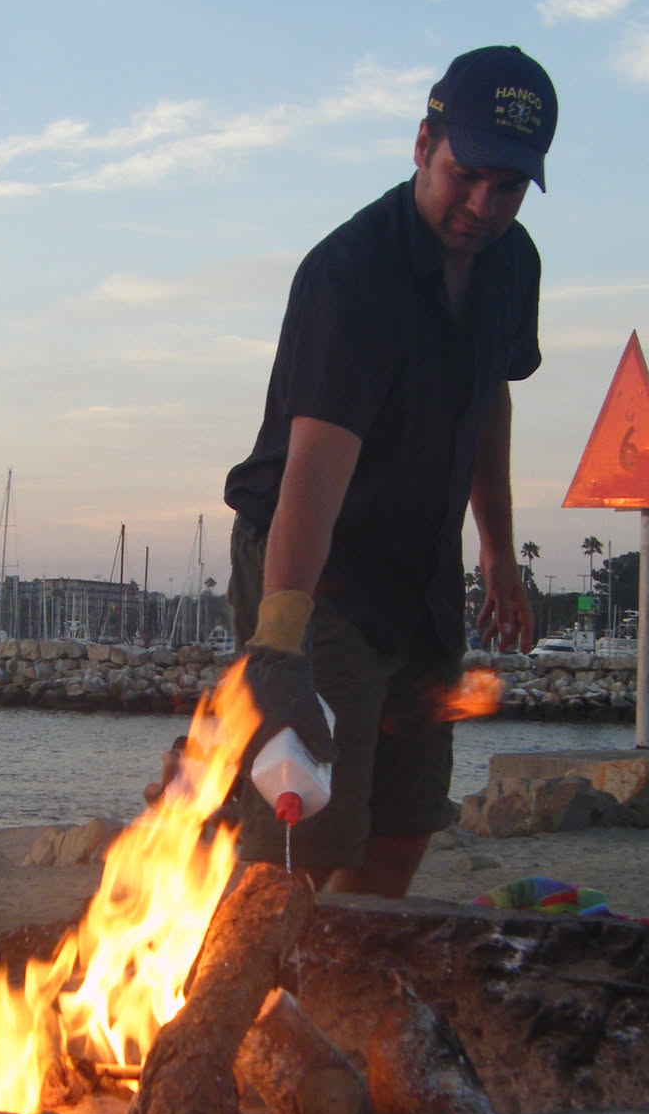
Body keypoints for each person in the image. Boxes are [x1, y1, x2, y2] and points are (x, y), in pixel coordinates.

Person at [223, 45, 555, 899]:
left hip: (420, 571)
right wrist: (280, 642)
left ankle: (340, 978)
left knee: (404, 825)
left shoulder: (513, 264)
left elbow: (488, 398)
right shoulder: (351, 275)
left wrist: (498, 551)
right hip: (318, 564)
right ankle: (256, 974)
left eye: (508, 188)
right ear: (422, 145)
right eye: (466, 176)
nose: (483, 206)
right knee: (304, 831)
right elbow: (314, 473)